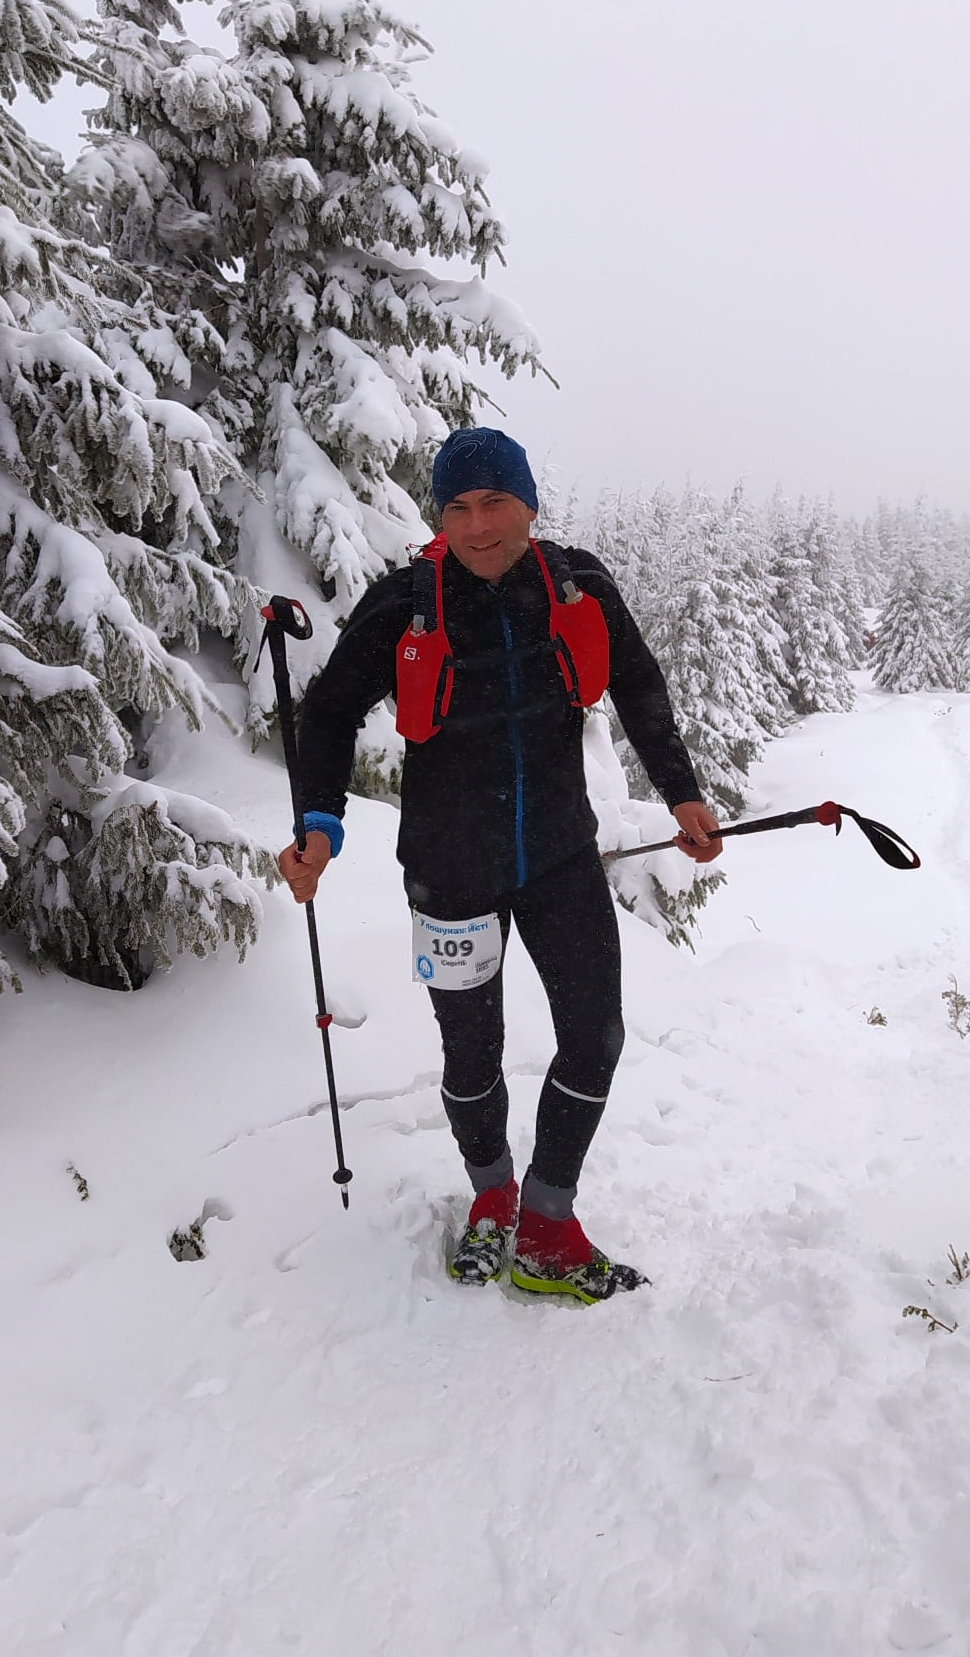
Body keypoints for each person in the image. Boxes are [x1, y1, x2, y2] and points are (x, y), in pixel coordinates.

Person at [276, 428, 720, 1302]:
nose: (478, 527)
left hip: (560, 857)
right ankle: (492, 1198)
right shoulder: (408, 601)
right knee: (471, 1055)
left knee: (595, 1038)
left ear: (529, 506)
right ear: (441, 517)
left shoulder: (576, 583)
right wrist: (319, 827)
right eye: (458, 508)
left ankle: (548, 1222)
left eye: (495, 504)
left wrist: (682, 793)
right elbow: (325, 714)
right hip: (449, 869)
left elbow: (637, 679)